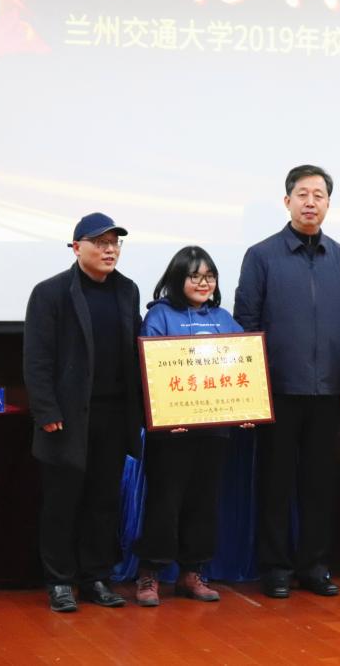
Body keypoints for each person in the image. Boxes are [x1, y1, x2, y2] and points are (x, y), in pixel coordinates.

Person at [234, 164, 340, 599]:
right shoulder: (261, 255)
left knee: (319, 483)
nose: (311, 202)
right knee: (275, 483)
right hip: (277, 391)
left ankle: (314, 565)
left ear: (328, 204)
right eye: (303, 194)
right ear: (287, 201)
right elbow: (246, 323)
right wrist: (254, 387)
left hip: (328, 392)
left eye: (318, 195)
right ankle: (274, 567)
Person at [23, 212, 143, 612]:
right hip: (66, 418)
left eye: (115, 243)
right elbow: (37, 359)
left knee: (104, 501)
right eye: (101, 243)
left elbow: (136, 352)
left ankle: (96, 577)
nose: (110, 250)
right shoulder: (50, 292)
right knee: (62, 502)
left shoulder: (127, 290)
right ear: (77, 248)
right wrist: (46, 411)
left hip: (114, 415)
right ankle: (59, 581)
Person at [133, 246, 253, 606]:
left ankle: (192, 572)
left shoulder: (223, 318)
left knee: (204, 501)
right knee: (165, 502)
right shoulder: (159, 316)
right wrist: (168, 414)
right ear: (177, 278)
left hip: (213, 430)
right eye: (195, 276)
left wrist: (247, 406)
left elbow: (243, 366)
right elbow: (149, 370)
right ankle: (150, 573)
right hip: (171, 432)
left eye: (209, 276)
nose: (204, 283)